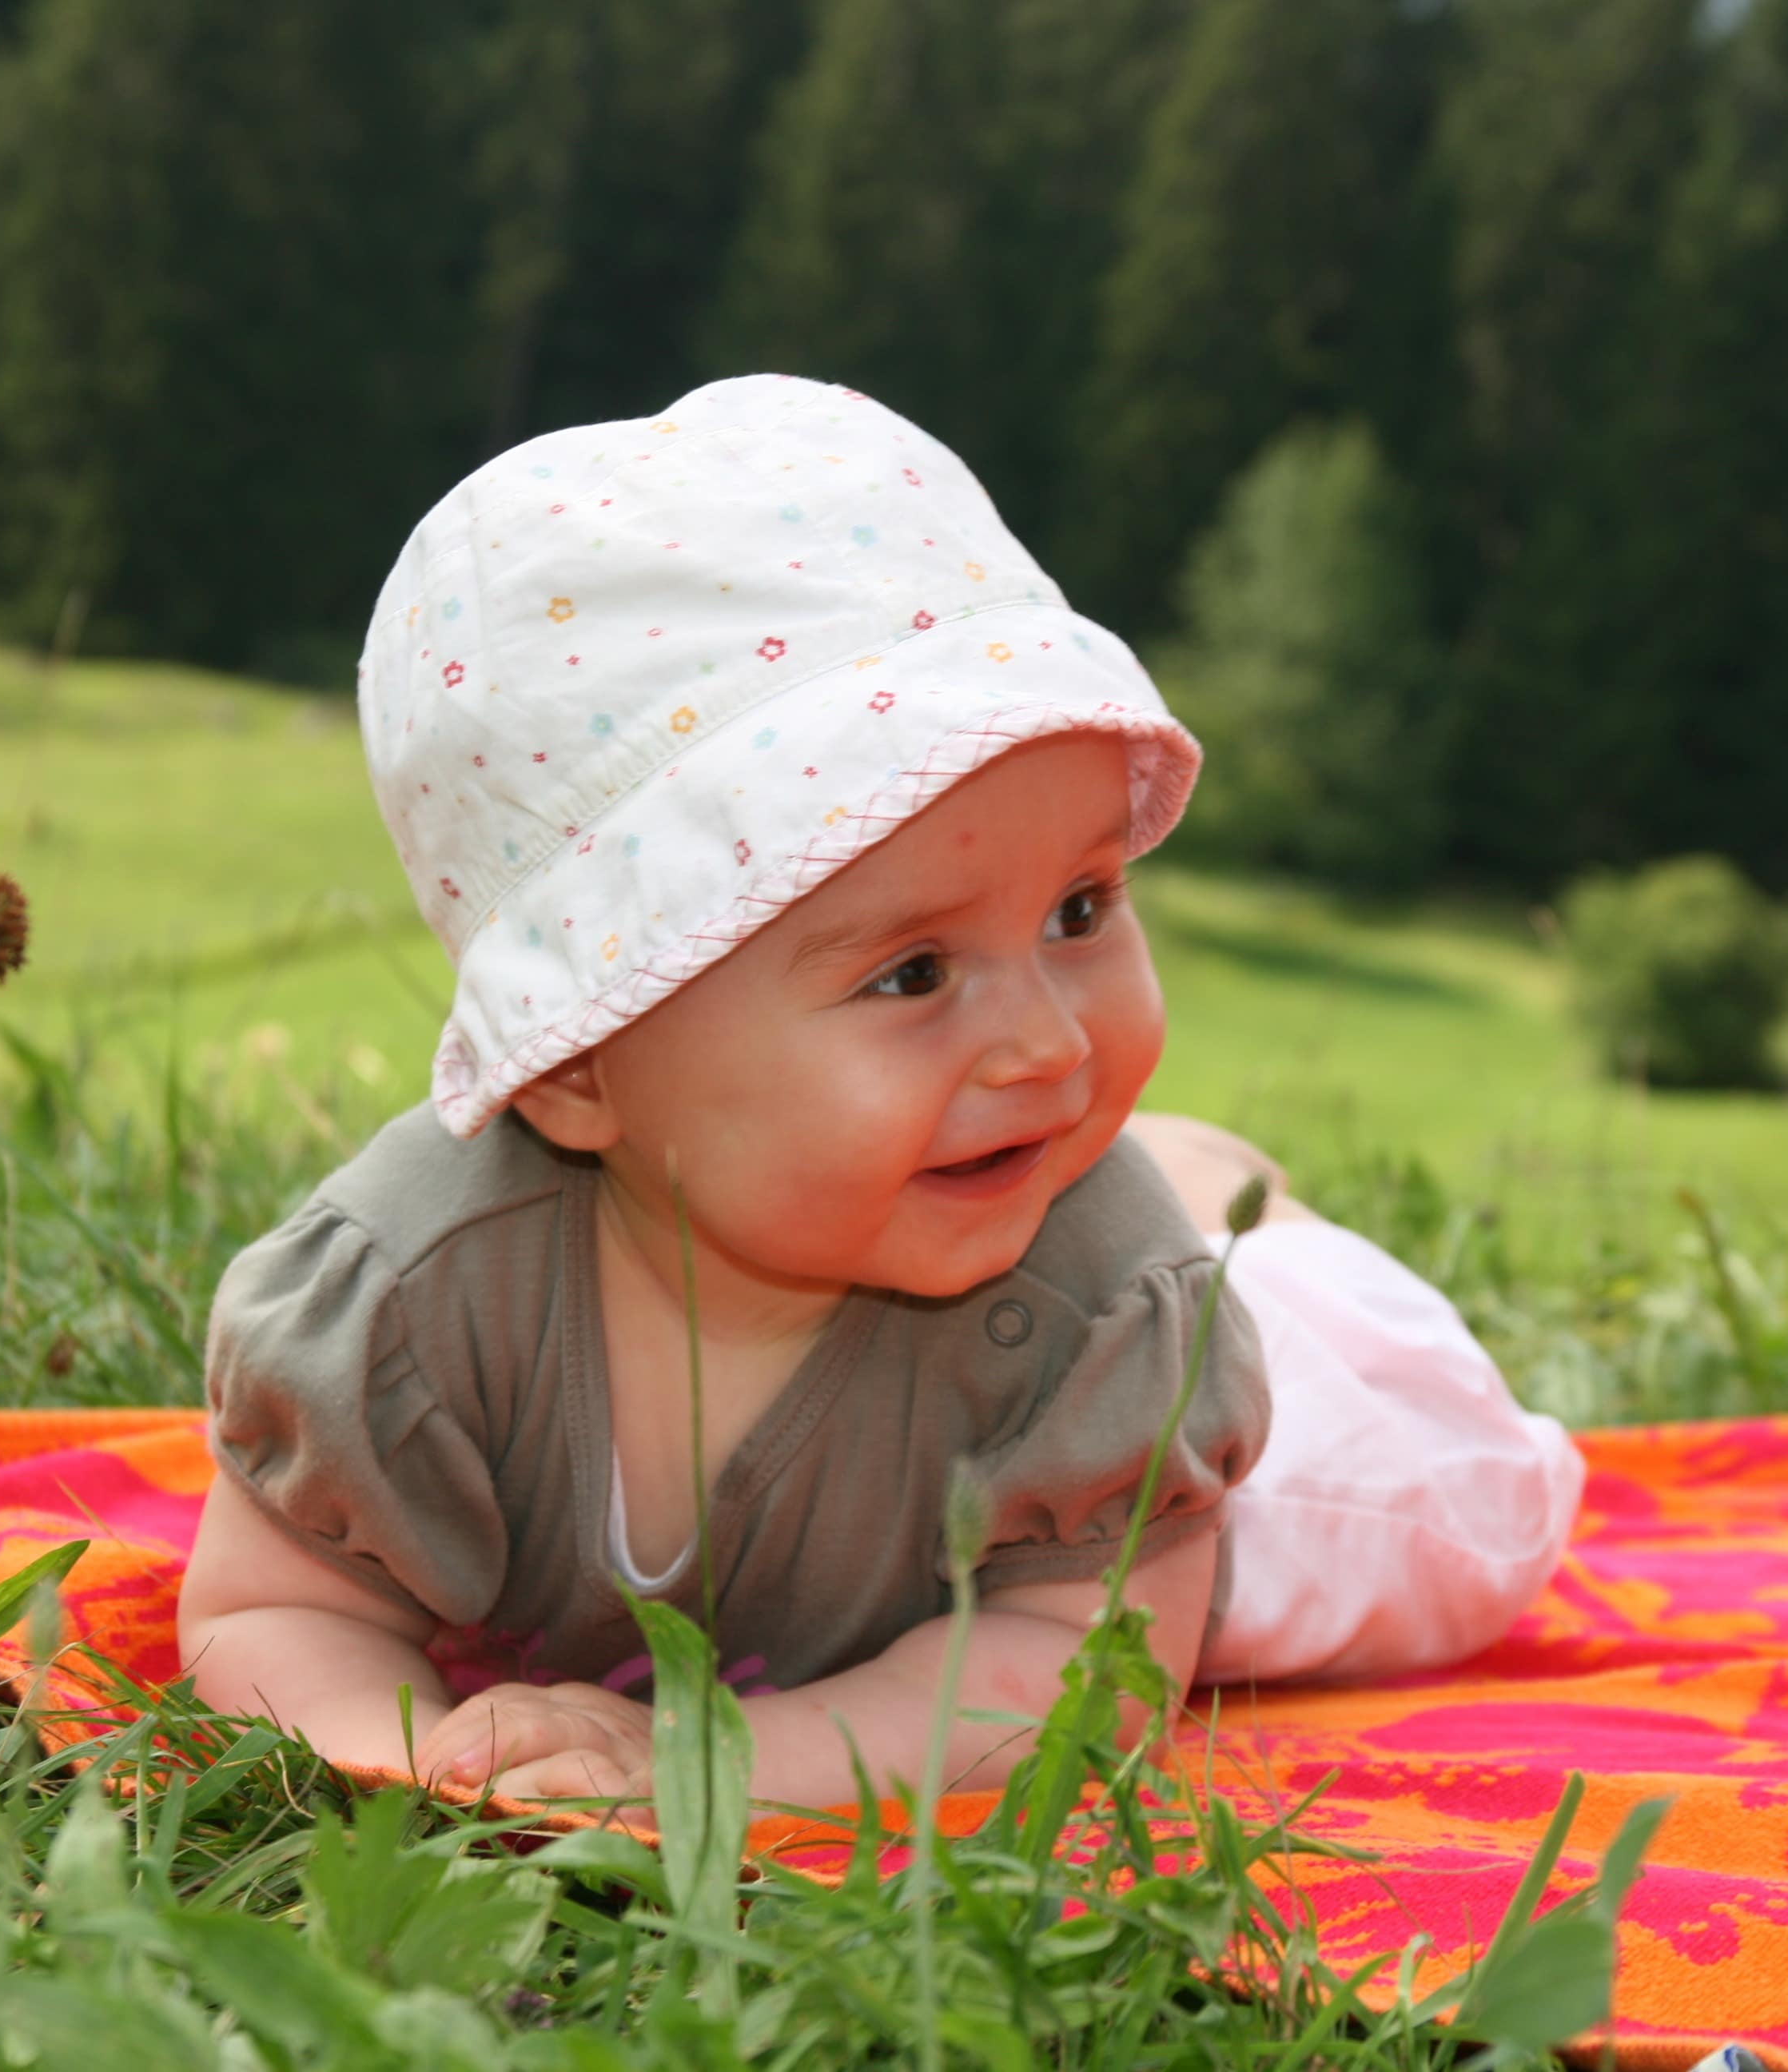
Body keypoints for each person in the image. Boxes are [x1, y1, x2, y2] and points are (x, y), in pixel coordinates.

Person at [177, 375, 1582, 1808]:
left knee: (1471, 1525)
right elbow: (274, 1611)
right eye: (912, 975)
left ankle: (1255, 1233)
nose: (1046, 1043)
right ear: (582, 1061)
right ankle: (1190, 1169)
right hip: (1012, 1220)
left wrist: (705, 1766)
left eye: (1083, 908)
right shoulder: (413, 1302)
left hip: (1226, 1498)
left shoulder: (1110, 1323)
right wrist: (416, 1767)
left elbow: (1065, 1684)